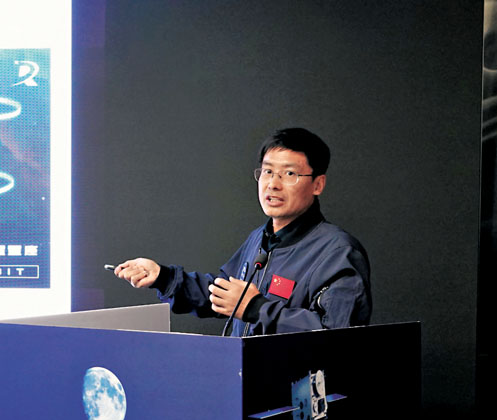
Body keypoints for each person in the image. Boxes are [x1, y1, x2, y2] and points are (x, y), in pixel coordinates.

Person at [114, 127, 371, 336]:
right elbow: (223, 294)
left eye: (289, 173)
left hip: (296, 385)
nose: (273, 184)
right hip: (242, 378)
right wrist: (164, 277)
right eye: (268, 171)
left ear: (318, 184)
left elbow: (337, 336)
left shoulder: (338, 252)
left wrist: (256, 308)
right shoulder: (259, 238)